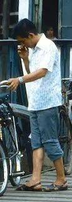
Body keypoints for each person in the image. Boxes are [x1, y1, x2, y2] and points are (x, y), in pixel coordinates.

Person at [5, 19, 67, 192]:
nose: (22, 44)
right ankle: (35, 179)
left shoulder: (47, 47)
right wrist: (25, 59)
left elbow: (42, 72)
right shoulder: (32, 50)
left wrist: (20, 80)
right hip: (35, 100)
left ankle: (61, 178)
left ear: (31, 35)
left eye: (22, 41)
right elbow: (32, 71)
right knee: (37, 142)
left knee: (50, 140)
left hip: (47, 101)